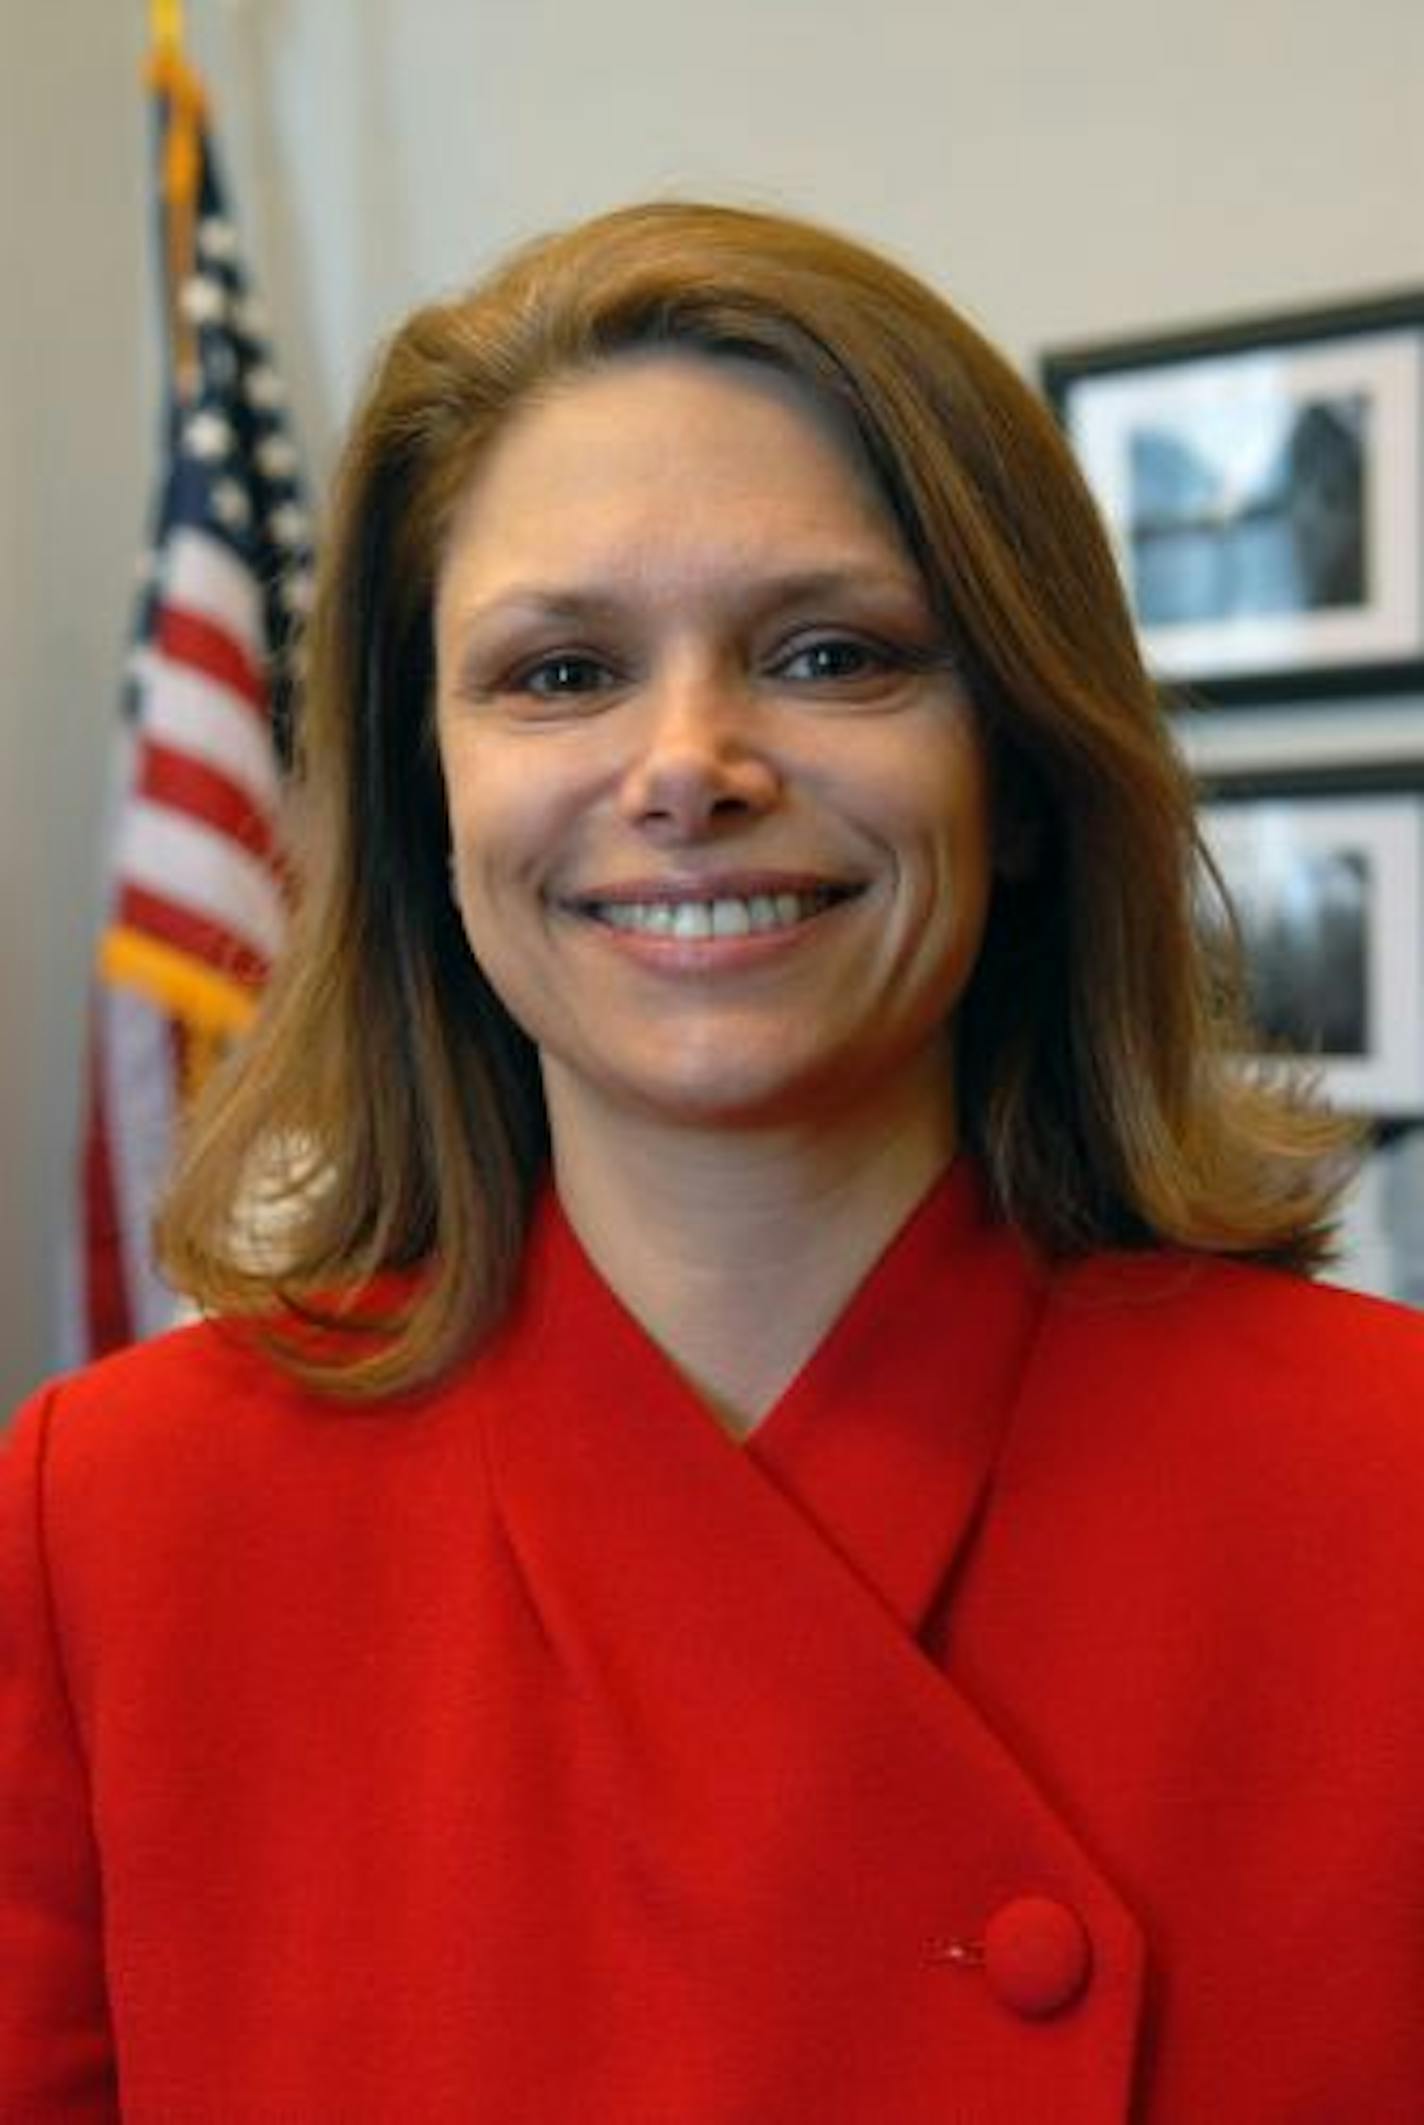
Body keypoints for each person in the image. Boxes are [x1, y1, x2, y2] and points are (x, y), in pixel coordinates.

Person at [3, 201, 1423, 2123]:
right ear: (431, 807)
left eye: (832, 654)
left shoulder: (1382, 1481)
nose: (687, 764)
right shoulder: (110, 1526)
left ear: (1017, 778)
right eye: (559, 675)